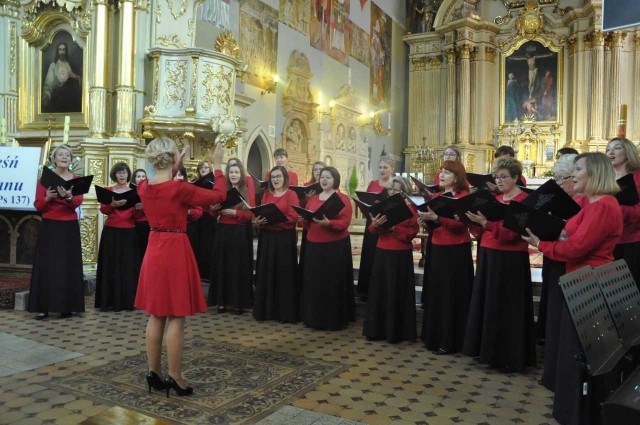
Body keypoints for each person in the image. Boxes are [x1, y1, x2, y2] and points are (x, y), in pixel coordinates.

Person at [522, 152, 622, 425]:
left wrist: (541, 245)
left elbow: (578, 247)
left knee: (582, 350)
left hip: (590, 283)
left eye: (578, 169)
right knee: (574, 347)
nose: (573, 175)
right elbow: (571, 235)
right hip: (579, 280)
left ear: (596, 174)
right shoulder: (592, 205)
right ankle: (573, 409)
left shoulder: (603, 206)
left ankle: (582, 413)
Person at [134, 138, 227, 397]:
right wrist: (218, 166)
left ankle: (153, 372)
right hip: (175, 248)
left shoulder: (143, 187)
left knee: (156, 314)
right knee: (176, 314)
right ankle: (175, 375)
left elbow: (163, 184)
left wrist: (178, 162)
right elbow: (218, 196)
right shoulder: (180, 189)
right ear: (172, 159)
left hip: (154, 247)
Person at [463, 157, 536, 373]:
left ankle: (507, 356)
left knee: (506, 306)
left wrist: (486, 223)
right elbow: (481, 231)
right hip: (488, 253)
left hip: (510, 259)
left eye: (504, 176)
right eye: (496, 177)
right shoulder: (495, 199)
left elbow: (513, 234)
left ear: (516, 177)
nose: (499, 180)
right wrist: (472, 222)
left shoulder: (524, 201)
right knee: (488, 304)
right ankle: (487, 352)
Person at [419, 161, 473, 355]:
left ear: (457, 177)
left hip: (456, 251)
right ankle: (434, 337)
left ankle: (450, 340)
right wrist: (426, 221)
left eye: (447, 172)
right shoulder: (438, 196)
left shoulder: (463, 197)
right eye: (441, 171)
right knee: (437, 293)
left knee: (451, 295)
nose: (441, 175)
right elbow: (437, 226)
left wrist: (437, 219)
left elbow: (461, 226)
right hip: (438, 248)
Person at [28, 145, 84, 320]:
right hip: (50, 225)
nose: (64, 157)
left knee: (67, 266)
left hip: (69, 226)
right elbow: (38, 205)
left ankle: (66, 306)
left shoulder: (76, 179)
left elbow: (77, 202)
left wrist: (68, 196)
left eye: (67, 155)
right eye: (60, 154)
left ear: (71, 159)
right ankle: (42, 307)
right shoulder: (44, 179)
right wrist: (48, 198)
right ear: (54, 159)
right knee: (47, 266)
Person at [537, 154, 577, 391]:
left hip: (568, 263)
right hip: (554, 259)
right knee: (554, 314)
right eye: (556, 178)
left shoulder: (584, 202)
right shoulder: (562, 198)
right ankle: (552, 368)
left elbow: (575, 239)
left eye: (562, 179)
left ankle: (559, 372)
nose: (559, 184)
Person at [363, 177, 419, 343]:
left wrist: (393, 227)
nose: (393, 192)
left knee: (396, 291)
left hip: (400, 254)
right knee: (380, 292)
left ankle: (397, 332)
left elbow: (411, 234)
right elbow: (372, 230)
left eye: (397, 190)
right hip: (382, 251)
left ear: (404, 192)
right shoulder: (384, 206)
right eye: (391, 189)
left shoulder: (410, 209)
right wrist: (376, 224)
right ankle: (377, 330)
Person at [299, 167, 355, 330]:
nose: (324, 180)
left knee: (332, 283)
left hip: (334, 246)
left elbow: (345, 223)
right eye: (322, 177)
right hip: (314, 245)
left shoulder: (342, 199)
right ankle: (313, 318)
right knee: (314, 283)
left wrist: (329, 223)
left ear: (335, 180)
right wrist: (302, 218)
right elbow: (307, 224)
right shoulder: (313, 199)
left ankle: (333, 320)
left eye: (328, 177)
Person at [253, 166, 300, 322]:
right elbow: (260, 215)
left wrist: (275, 222)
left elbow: (293, 217)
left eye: (278, 176)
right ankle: (266, 311)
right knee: (266, 272)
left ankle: (284, 313)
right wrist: (258, 222)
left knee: (283, 273)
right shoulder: (266, 195)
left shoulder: (291, 194)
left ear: (285, 178)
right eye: (273, 177)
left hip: (284, 240)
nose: (275, 179)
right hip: (267, 239)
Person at [208, 161, 254, 314]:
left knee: (237, 267)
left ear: (241, 175)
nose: (234, 175)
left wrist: (236, 213)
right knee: (223, 266)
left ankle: (237, 303)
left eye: (236, 172)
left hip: (239, 233)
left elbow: (250, 215)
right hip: (223, 232)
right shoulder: (222, 191)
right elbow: (213, 213)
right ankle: (221, 302)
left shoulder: (246, 191)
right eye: (231, 173)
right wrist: (213, 210)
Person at [95, 162, 140, 311]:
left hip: (129, 231)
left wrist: (140, 209)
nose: (122, 175)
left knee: (127, 265)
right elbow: (103, 210)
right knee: (110, 265)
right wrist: (112, 205)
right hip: (111, 231)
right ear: (114, 175)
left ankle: (127, 301)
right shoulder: (108, 190)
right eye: (119, 173)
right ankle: (108, 301)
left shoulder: (134, 192)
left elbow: (136, 215)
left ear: (128, 174)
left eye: (124, 172)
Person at [357, 156, 395, 301]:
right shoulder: (372, 183)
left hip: (388, 222)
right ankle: (366, 291)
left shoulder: (395, 184)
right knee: (369, 254)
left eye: (385, 167)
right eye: (380, 167)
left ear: (392, 169)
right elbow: (366, 202)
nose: (382, 170)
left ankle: (381, 290)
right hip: (373, 222)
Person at [606, 137, 640, 289]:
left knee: (631, 289)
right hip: (609, 242)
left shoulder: (637, 176)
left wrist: (615, 209)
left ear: (628, 153)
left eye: (617, 148)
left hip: (633, 241)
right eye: (608, 149)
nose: (610, 152)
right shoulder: (606, 179)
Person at [193, 160, 217, 280]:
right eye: (201, 168)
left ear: (210, 169)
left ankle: (208, 272)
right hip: (198, 217)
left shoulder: (213, 182)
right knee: (199, 244)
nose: (203, 170)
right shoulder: (196, 182)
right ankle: (200, 272)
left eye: (206, 168)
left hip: (209, 216)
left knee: (208, 244)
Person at [42, 41, 81, 113]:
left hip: (70, 100)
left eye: (64, 49)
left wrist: (75, 77)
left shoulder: (71, 65)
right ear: (57, 51)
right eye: (60, 50)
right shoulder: (53, 66)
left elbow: (78, 80)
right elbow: (49, 83)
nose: (62, 52)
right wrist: (47, 95)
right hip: (57, 99)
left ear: (66, 51)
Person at [132, 169, 150, 260]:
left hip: (147, 224)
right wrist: (137, 209)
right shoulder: (131, 191)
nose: (141, 178)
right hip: (134, 224)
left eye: (143, 176)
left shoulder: (150, 190)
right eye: (138, 176)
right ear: (134, 179)